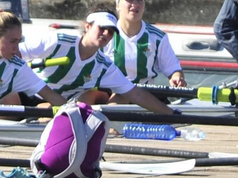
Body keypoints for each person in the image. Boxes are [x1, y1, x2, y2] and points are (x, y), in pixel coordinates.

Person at [21, 11, 177, 114]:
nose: (106, 33)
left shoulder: (104, 66)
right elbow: (14, 52)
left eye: (111, 31)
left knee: (89, 98)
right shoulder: (57, 41)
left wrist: (172, 113)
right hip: (28, 95)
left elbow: (136, 94)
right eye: (102, 28)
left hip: (60, 106)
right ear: (87, 27)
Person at [108, 0, 186, 89]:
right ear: (117, 6)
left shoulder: (158, 38)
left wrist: (177, 77)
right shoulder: (105, 35)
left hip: (145, 94)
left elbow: (173, 69)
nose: (135, 4)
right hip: (112, 94)